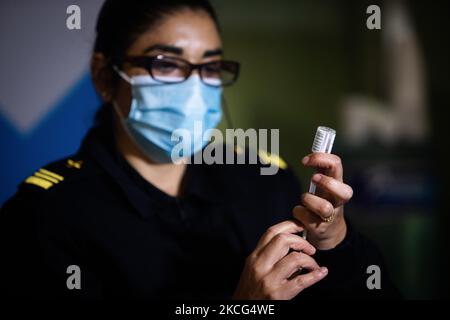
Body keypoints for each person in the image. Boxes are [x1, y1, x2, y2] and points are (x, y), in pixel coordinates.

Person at [0, 0, 399, 299]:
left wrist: (335, 241)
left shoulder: (264, 180)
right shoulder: (45, 216)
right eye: (166, 64)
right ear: (105, 76)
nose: (194, 88)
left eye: (210, 67)